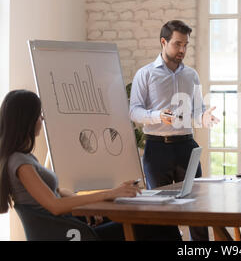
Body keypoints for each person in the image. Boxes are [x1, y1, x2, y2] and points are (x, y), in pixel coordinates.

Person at [0, 90, 181, 241]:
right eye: (39, 115)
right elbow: (55, 205)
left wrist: (90, 201)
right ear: (27, 120)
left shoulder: (24, 157)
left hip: (72, 225)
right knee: (160, 226)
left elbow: (55, 192)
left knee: (155, 225)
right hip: (66, 234)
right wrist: (110, 193)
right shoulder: (20, 163)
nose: (42, 119)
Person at [129, 20, 219, 241]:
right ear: (163, 42)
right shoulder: (146, 74)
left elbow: (197, 111)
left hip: (186, 146)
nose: (182, 50)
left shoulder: (191, 75)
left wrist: (204, 117)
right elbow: (133, 111)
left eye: (186, 45)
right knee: (160, 212)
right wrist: (157, 116)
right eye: (178, 44)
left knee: (197, 208)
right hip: (156, 148)